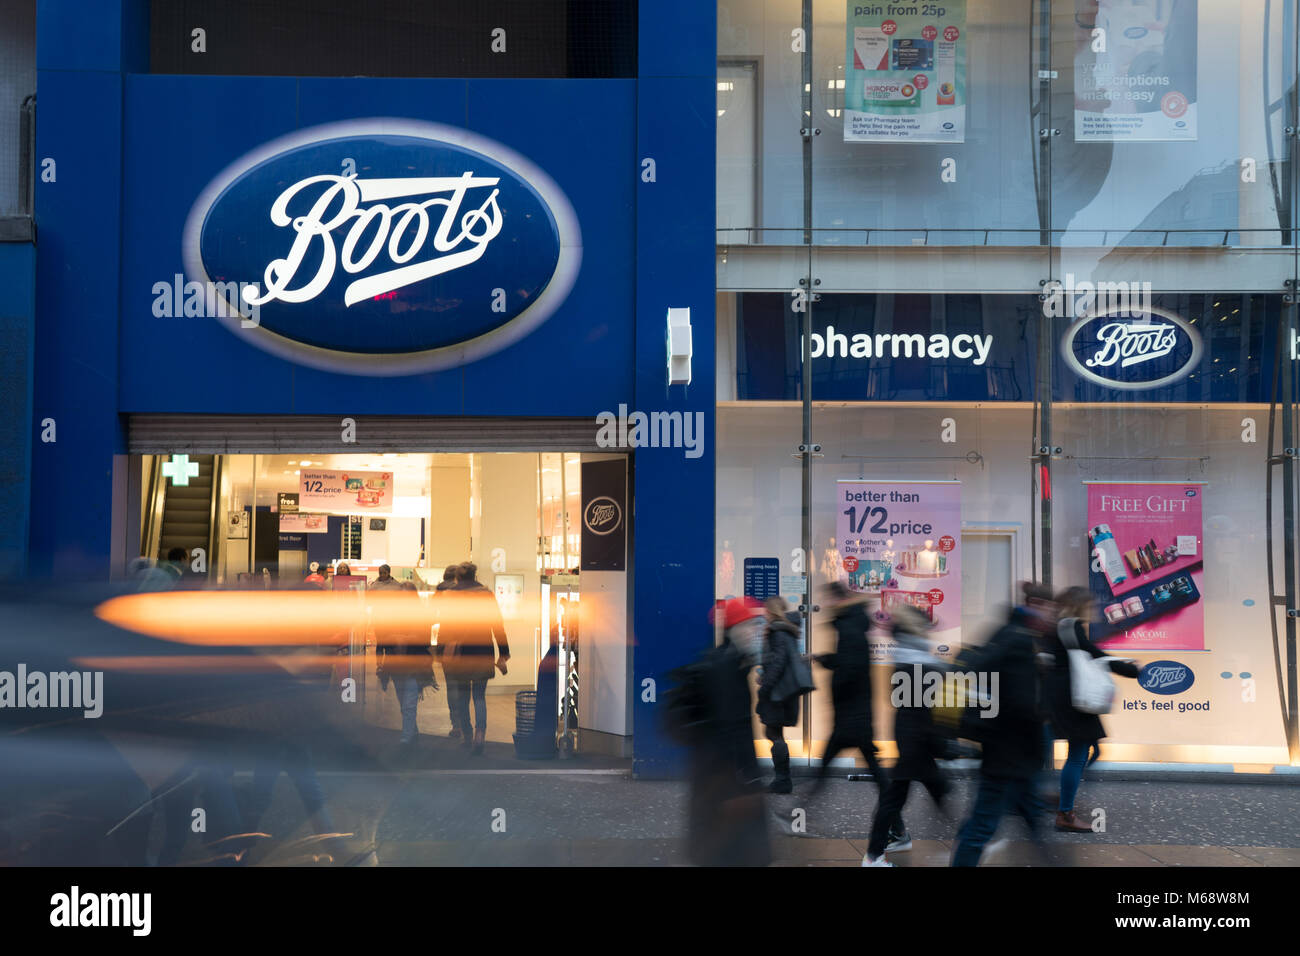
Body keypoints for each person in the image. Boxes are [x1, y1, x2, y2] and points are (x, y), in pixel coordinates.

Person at [950, 583, 1055, 867]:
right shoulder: (1020, 639)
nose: (1051, 617)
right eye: (1049, 609)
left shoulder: (1009, 634)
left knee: (1027, 820)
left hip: (1009, 753)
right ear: (1035, 604)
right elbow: (1020, 703)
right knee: (985, 824)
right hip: (1009, 753)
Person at [679, 596, 771, 866]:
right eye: (752, 626)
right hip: (730, 785)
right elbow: (731, 730)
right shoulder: (725, 669)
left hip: (727, 784)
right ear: (737, 629)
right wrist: (746, 782)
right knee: (733, 853)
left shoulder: (734, 664)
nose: (757, 633)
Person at [862, 604, 954, 867]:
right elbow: (926, 702)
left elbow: (899, 698)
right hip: (916, 737)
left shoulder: (908, 652)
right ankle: (873, 855)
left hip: (910, 735)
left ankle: (881, 850)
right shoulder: (917, 656)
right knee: (906, 796)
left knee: (905, 794)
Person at [1045, 585, 1139, 832]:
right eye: (1089, 604)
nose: (1093, 608)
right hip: (1073, 700)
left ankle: (1058, 799)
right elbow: (1094, 655)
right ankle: (1064, 812)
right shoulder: (1070, 626)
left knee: (1089, 750)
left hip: (1063, 697)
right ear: (1079, 605)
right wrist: (1128, 669)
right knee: (1078, 755)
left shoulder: (1057, 626)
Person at [809, 583, 892, 805]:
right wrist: (824, 658)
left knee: (827, 764)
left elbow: (850, 667)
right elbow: (847, 661)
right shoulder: (852, 623)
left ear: (838, 599)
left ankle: (800, 808)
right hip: (856, 713)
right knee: (873, 771)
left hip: (851, 715)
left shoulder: (849, 627)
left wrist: (835, 687)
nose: (825, 604)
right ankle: (802, 806)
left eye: (827, 598)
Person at [439, 563, 509, 755]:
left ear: (458, 577)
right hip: (482, 651)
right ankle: (480, 734)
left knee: (462, 696)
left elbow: (445, 625)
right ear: (475, 574)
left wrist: (440, 650)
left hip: (460, 654)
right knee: (479, 696)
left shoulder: (452, 595)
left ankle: (467, 735)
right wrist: (503, 652)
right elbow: (497, 625)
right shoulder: (486, 594)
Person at [373, 564, 437, 746]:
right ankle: (412, 731)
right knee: (403, 701)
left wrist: (407, 638)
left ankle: (407, 737)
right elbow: (384, 636)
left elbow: (426, 638)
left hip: (415, 665)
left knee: (409, 702)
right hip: (397, 665)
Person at [756, 597, 806, 794]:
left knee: (773, 733)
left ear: (771, 611)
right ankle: (782, 778)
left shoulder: (777, 632)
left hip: (777, 692)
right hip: (785, 691)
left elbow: (777, 663)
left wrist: (765, 685)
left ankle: (783, 779)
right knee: (774, 732)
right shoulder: (788, 631)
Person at [431, 566, 464, 740]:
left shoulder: (441, 590)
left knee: (451, 685)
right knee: (463, 684)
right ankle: (465, 723)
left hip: (445, 642)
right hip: (464, 642)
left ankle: (456, 724)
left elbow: (432, 615)